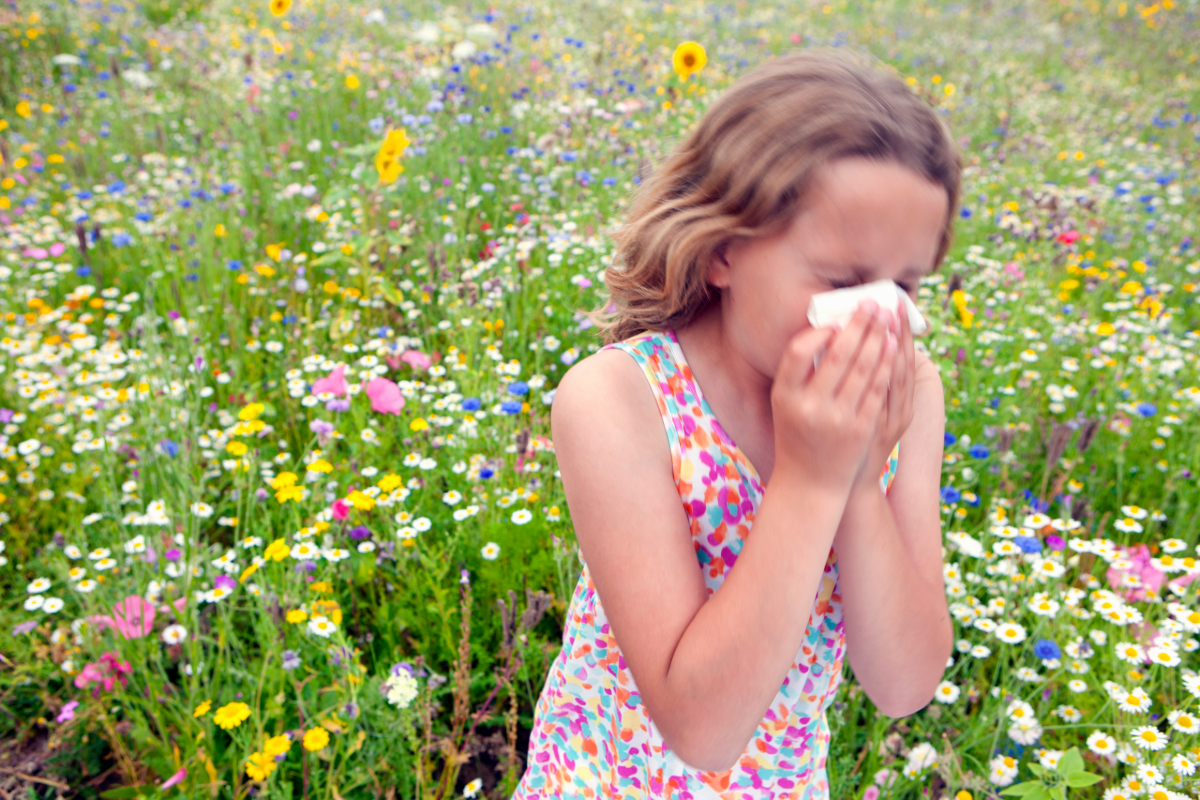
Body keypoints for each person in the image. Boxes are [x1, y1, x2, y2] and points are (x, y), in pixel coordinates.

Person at [513, 50, 958, 800]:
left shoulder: (908, 393)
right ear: (724, 251)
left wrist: (856, 482)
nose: (879, 316)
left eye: (906, 285)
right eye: (843, 281)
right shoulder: (622, 399)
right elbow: (702, 729)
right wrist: (812, 478)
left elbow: (904, 683)